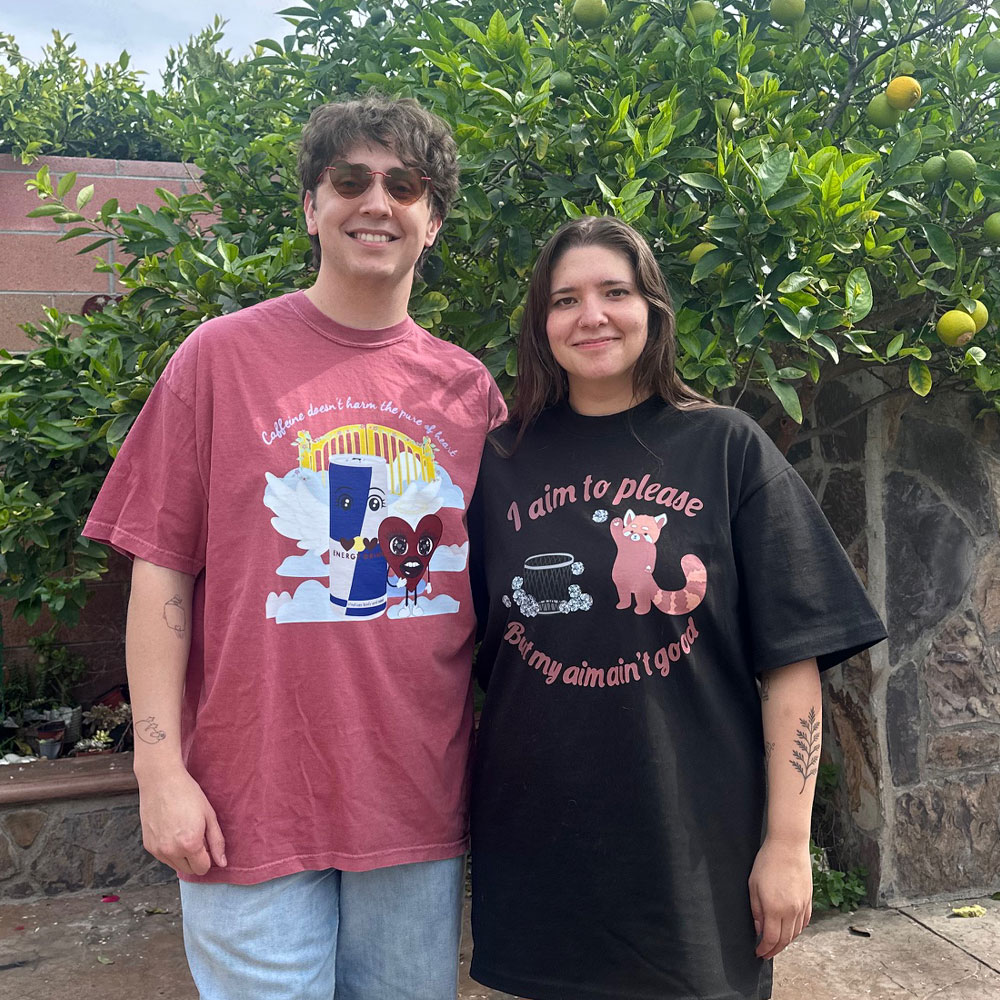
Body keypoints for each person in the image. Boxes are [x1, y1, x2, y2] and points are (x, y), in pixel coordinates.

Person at [84, 94, 506, 1000]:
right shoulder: (217, 360)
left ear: (433, 221)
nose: (376, 202)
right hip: (247, 802)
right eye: (350, 180)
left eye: (405, 186)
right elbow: (161, 572)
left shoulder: (467, 391)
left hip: (413, 803)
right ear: (312, 206)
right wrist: (158, 770)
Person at [467, 216, 886, 1000]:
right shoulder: (499, 461)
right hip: (538, 847)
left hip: (695, 845)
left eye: (614, 292)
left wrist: (787, 844)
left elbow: (792, 663)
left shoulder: (726, 447)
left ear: (652, 308)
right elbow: (458, 648)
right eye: (565, 299)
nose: (591, 316)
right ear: (541, 324)